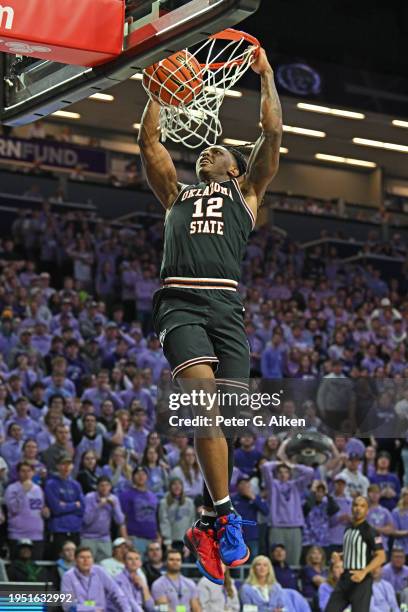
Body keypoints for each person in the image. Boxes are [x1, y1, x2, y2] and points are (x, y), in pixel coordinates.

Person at [138, 46, 282, 584]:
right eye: (205, 151)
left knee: (232, 421)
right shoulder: (176, 192)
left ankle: (204, 522)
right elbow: (150, 141)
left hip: (226, 306)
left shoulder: (247, 194)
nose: (207, 153)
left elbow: (272, 137)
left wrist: (266, 77)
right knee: (203, 409)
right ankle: (225, 517)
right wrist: (156, 85)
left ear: (235, 167)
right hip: (179, 301)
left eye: (218, 151)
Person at [325, 496, 386, 612]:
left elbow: (381, 556)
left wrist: (364, 572)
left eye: (362, 506)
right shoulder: (348, 528)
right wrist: (340, 555)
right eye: (355, 505)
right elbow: (355, 549)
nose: (358, 509)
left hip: (361, 581)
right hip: (345, 578)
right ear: (351, 508)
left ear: (367, 511)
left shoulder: (370, 531)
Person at [261, 457, 314, 565]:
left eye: (286, 472)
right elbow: (265, 467)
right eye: (280, 472)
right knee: (276, 562)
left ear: (290, 474)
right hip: (277, 527)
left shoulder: (296, 485)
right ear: (276, 474)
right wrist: (279, 463)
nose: (283, 474)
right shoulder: (272, 485)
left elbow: (310, 472)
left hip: (295, 527)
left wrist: (293, 466)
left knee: (294, 562)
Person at [61, 546, 132, 612]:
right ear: (75, 560)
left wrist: (127, 610)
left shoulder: (99, 571)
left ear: (93, 560)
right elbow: (67, 605)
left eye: (89, 557)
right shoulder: (68, 576)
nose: (86, 560)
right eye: (82, 557)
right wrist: (92, 609)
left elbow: (116, 592)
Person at [4, 461, 49, 560]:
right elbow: (13, 509)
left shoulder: (38, 489)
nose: (26, 474)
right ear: (18, 473)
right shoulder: (12, 489)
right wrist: (22, 491)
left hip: (36, 535)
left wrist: (45, 512)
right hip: (17, 534)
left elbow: (40, 508)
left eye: (29, 471)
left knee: (36, 568)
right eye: (23, 471)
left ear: (33, 473)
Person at [44, 454, 84, 558]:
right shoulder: (51, 484)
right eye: (63, 464)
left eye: (69, 464)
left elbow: (82, 508)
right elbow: (56, 509)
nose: (66, 467)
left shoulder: (76, 485)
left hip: (75, 529)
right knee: (59, 559)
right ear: (57, 466)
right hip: (58, 529)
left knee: (75, 560)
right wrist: (74, 504)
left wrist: (65, 505)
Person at [80, 476, 127, 562]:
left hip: (105, 538)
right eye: (102, 485)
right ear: (97, 487)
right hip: (88, 537)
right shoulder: (89, 497)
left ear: (110, 487)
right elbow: (86, 520)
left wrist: (114, 507)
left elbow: (120, 521)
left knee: (105, 566)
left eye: (107, 485)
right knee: (87, 564)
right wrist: (99, 506)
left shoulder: (114, 498)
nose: (104, 488)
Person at [119, 466, 159, 555]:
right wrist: (125, 538)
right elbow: (122, 519)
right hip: (135, 538)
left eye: (143, 474)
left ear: (147, 477)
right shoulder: (126, 495)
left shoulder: (153, 496)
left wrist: (158, 537)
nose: (141, 476)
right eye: (138, 474)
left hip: (152, 539)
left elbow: (155, 518)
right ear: (133, 477)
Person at [231, 475, 268, 559]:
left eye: (247, 483)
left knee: (253, 561)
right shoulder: (232, 499)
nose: (245, 486)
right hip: (236, 536)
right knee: (237, 562)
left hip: (252, 536)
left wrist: (253, 497)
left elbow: (266, 511)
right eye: (242, 483)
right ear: (237, 486)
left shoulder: (255, 498)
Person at [158, 476, 196, 550]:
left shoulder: (189, 502)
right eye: (174, 484)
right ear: (170, 487)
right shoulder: (164, 503)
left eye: (179, 484)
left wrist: (189, 542)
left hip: (185, 543)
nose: (177, 486)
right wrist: (167, 541)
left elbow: (192, 522)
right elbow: (164, 522)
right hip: (170, 542)